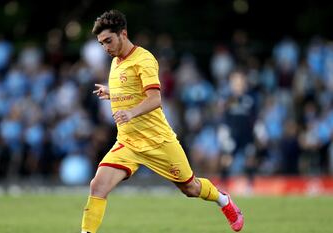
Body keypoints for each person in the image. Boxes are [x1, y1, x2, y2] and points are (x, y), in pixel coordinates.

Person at [81, 10, 244, 233]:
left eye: (108, 41)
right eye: (101, 44)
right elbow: (131, 89)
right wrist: (113, 93)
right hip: (128, 142)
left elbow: (155, 99)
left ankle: (223, 200)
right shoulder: (116, 61)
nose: (105, 48)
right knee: (97, 186)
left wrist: (130, 113)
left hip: (158, 141)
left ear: (123, 34)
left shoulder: (144, 60)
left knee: (191, 188)